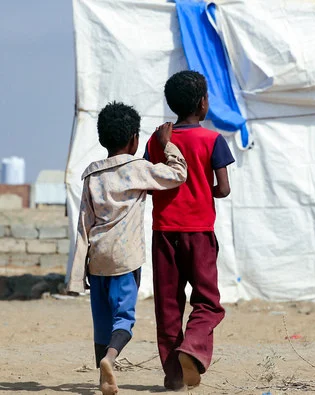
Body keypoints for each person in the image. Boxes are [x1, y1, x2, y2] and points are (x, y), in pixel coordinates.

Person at [67, 102, 188, 395]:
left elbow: (84, 223)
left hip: (97, 259)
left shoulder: (91, 175)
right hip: (125, 259)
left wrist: (76, 272)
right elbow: (177, 174)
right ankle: (110, 358)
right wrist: (167, 144)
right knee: (124, 319)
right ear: (134, 138)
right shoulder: (138, 169)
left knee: (102, 321)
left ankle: (102, 373)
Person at [144, 70, 234, 390]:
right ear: (202, 103)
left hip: (163, 231)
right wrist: (200, 186)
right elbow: (223, 189)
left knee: (168, 305)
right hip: (198, 232)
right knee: (208, 301)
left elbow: (151, 180)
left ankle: (173, 376)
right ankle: (192, 349)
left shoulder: (157, 141)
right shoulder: (212, 140)